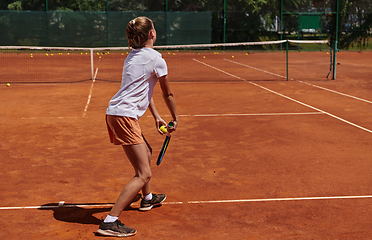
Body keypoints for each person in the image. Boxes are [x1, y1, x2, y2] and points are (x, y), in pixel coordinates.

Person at [97, 16, 178, 237]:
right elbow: (167, 93)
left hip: (116, 113)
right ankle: (110, 222)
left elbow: (144, 89)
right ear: (152, 34)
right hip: (124, 117)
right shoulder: (157, 59)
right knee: (143, 173)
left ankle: (147, 198)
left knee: (147, 152)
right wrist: (175, 118)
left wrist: (157, 117)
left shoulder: (132, 56)